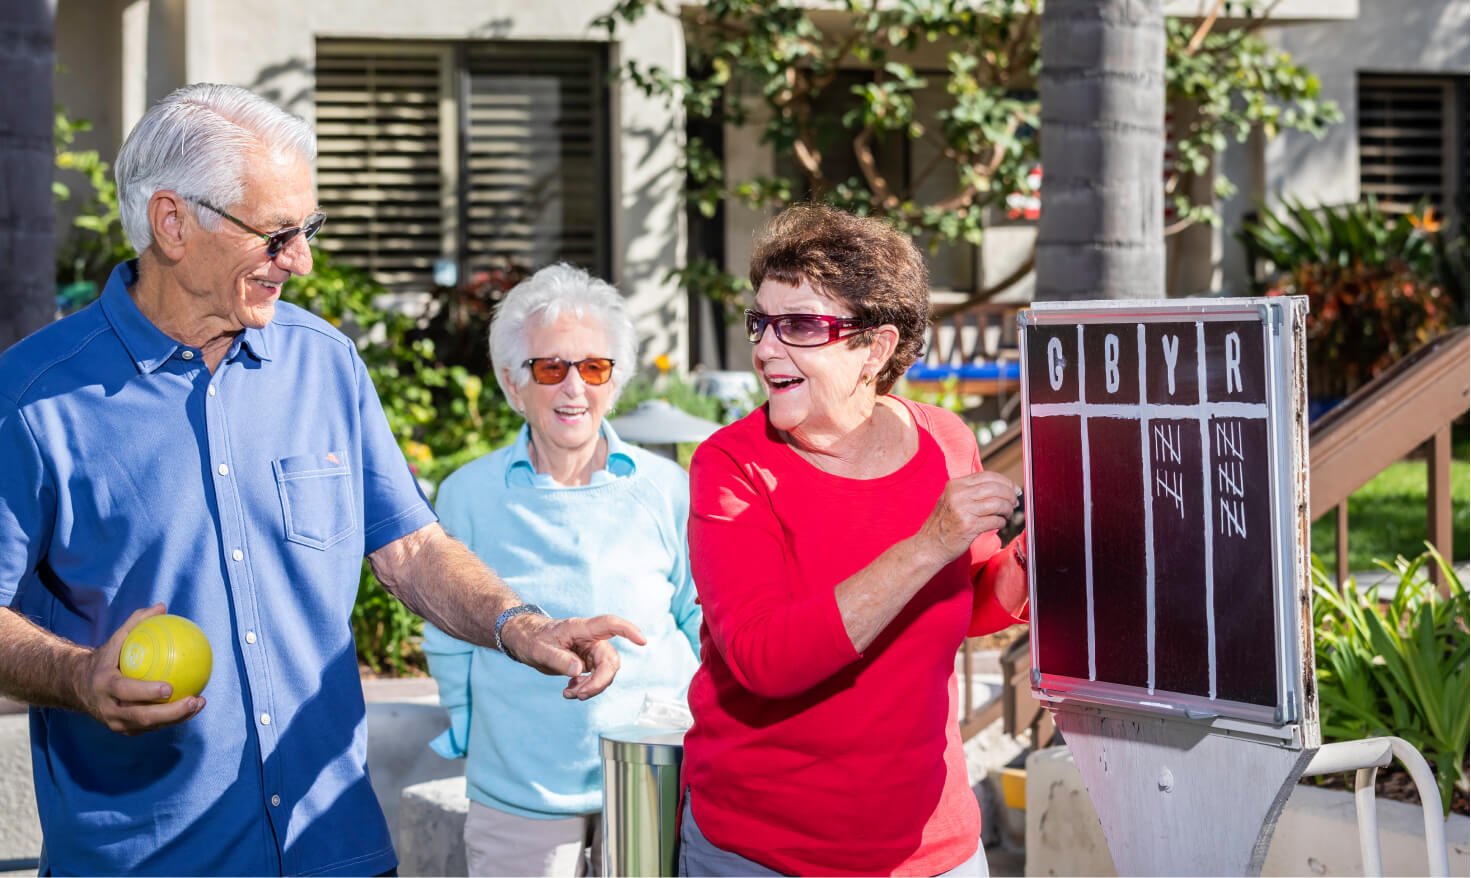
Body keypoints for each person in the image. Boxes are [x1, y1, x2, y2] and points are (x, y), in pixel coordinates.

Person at [0, 83, 644, 877]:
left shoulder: (325, 362)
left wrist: (521, 625)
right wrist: (78, 676)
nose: (300, 260)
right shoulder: (32, 398)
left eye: (306, 229)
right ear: (172, 223)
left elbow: (408, 547)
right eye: (275, 235)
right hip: (142, 858)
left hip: (333, 849)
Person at [679, 203, 1030, 877]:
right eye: (761, 322)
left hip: (934, 849)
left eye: (800, 325)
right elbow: (763, 660)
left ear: (874, 348)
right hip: (764, 854)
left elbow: (969, 601)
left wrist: (1038, 560)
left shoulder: (946, 441)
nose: (764, 348)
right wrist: (928, 542)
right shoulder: (729, 465)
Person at [423, 263, 702, 877]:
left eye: (593, 367)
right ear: (511, 381)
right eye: (550, 368)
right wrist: (468, 732)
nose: (573, 387)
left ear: (615, 378)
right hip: (518, 783)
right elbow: (446, 630)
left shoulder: (666, 488)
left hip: (654, 769)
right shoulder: (468, 493)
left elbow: (698, 613)